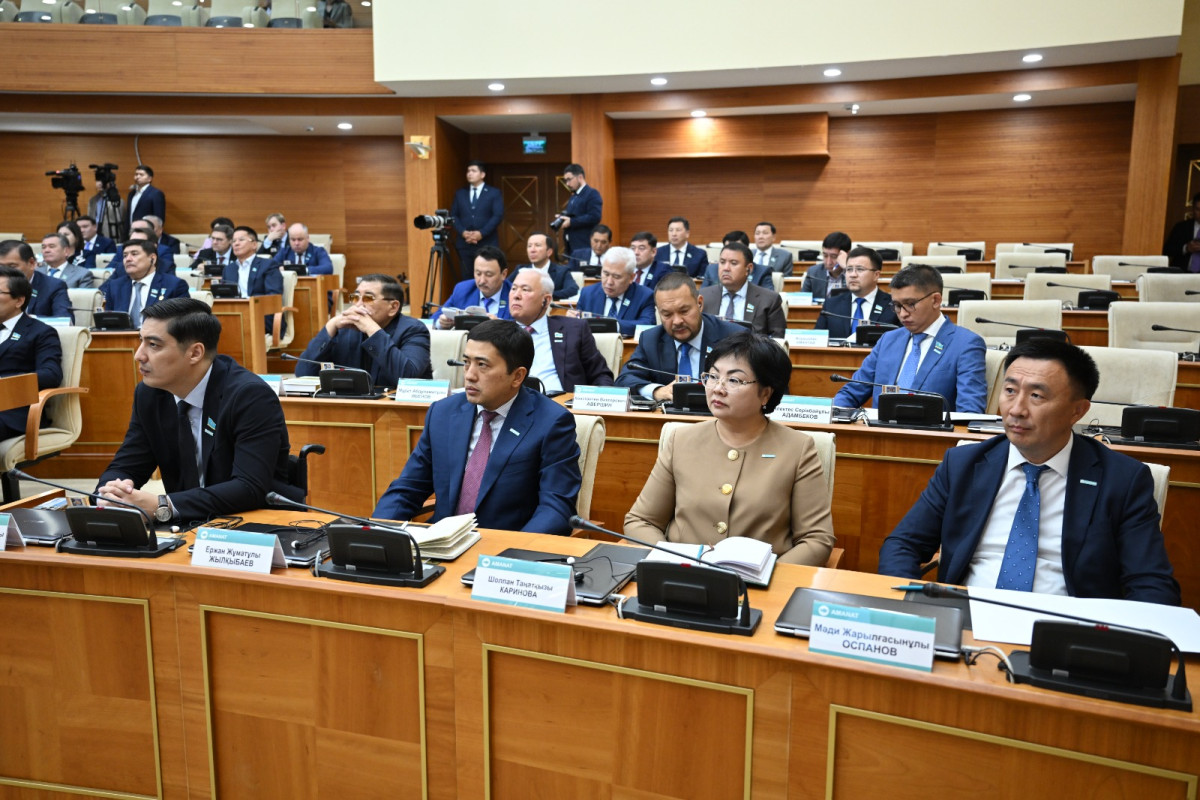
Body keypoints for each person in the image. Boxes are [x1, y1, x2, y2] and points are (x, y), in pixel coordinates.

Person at [878, 339, 1180, 604]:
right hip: (965, 616)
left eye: (1037, 396)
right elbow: (903, 545)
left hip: (1065, 631)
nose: (1016, 409)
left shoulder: (1123, 480)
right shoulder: (963, 464)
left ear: (1077, 411)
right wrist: (912, 606)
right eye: (1010, 390)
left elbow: (1151, 583)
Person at [624, 331, 835, 565]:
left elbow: (817, 539)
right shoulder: (681, 440)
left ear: (766, 393)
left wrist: (767, 576)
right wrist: (673, 561)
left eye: (734, 380)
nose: (718, 388)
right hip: (682, 575)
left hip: (760, 582)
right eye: (713, 376)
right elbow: (640, 521)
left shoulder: (798, 449)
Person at [96, 298, 300, 523]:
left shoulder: (250, 396)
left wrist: (163, 505)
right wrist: (110, 494)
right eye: (141, 341)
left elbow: (249, 487)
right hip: (187, 524)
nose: (139, 355)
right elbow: (127, 465)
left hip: (254, 523)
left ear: (195, 353)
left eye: (153, 345)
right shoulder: (150, 394)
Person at [372, 319, 582, 535]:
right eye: (466, 362)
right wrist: (377, 533)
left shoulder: (551, 423)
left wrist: (515, 551)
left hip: (505, 545)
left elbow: (556, 508)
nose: (469, 375)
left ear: (517, 376)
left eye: (482, 365)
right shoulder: (443, 413)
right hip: (443, 542)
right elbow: (408, 488)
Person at [833, 264, 987, 413]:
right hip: (879, 430)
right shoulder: (888, 340)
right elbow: (851, 392)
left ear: (936, 300)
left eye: (910, 304)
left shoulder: (965, 344)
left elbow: (969, 412)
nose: (902, 314)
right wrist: (833, 411)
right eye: (897, 305)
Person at [616, 271, 744, 401]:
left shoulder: (734, 337)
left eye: (684, 311)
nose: (677, 321)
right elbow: (624, 380)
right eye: (667, 314)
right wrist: (657, 391)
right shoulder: (651, 340)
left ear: (699, 304)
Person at [296, 273, 432, 387]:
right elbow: (303, 373)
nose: (359, 304)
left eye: (368, 298)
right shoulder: (344, 328)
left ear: (393, 307)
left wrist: (372, 329)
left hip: (396, 407)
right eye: (355, 297)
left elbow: (408, 377)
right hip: (349, 406)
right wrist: (330, 326)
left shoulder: (413, 330)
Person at [507, 269, 614, 394]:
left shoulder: (574, 330)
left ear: (546, 300)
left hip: (560, 403)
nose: (516, 295)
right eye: (513, 288)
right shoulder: (498, 333)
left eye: (525, 290)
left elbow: (600, 375)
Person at [0, 266, 62, 442]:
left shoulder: (41, 332)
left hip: (13, 411)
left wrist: (4, 382)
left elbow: (51, 374)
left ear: (19, 300)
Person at [698, 242, 786, 337]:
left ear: (749, 269)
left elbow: (777, 339)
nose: (726, 268)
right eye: (722, 262)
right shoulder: (703, 296)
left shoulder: (769, 300)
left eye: (733, 263)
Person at [99, 239, 190, 326]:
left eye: (134, 254)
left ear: (152, 259)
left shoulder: (174, 285)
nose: (128, 259)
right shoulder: (115, 286)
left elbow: (183, 323)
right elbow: (109, 324)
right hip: (122, 336)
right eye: (125, 255)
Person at [814, 246, 899, 338]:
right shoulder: (831, 305)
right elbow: (817, 340)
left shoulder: (893, 305)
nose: (853, 275)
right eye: (849, 269)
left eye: (860, 269)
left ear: (876, 275)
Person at [571, 245, 656, 337]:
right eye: (606, 274)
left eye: (616, 277)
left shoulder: (645, 296)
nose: (609, 282)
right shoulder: (587, 293)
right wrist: (572, 320)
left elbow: (647, 325)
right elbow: (579, 325)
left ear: (631, 277)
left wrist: (612, 325)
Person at [449, 160, 504, 280]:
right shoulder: (460, 193)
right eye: (468, 171)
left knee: (487, 277)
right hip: (465, 243)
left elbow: (498, 215)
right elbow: (453, 215)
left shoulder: (493, 193)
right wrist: (463, 232)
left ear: (482, 174)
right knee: (467, 277)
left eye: (473, 171)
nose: (469, 173)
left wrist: (481, 233)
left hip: (487, 242)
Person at [434, 245, 513, 328]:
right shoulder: (463, 289)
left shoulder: (514, 294)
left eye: (489, 275)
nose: (482, 281)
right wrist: (441, 322)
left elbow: (520, 326)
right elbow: (434, 318)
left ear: (503, 274)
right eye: (478, 273)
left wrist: (499, 324)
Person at [0, 240, 71, 319]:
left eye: (12, 266)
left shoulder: (54, 286)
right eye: (1, 266)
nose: (5, 271)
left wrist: (28, 320)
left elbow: (64, 319)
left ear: (32, 263)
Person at [514, 232, 578, 300]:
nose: (532, 250)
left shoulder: (561, 271)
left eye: (537, 245)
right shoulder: (520, 270)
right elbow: (507, 287)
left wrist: (543, 296)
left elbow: (572, 290)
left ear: (549, 252)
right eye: (529, 246)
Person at [701, 230, 774, 289]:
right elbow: (702, 297)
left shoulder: (762, 272)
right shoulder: (711, 269)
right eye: (728, 247)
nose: (726, 268)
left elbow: (769, 299)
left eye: (736, 248)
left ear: (747, 249)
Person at [223, 226, 282, 298]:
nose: (236, 243)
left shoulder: (268, 265)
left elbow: (274, 296)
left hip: (257, 304)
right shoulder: (228, 269)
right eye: (234, 241)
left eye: (241, 240)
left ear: (254, 244)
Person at [556, 163, 602, 254]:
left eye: (569, 179)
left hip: (584, 245)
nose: (567, 184)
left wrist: (571, 222)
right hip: (571, 246)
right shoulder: (574, 196)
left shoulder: (592, 193)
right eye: (566, 180)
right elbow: (574, 216)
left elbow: (595, 216)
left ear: (580, 177)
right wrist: (563, 218)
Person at [110, 221, 177, 278]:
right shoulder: (121, 268)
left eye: (139, 243)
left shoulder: (166, 267)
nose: (128, 259)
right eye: (131, 242)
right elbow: (105, 288)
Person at [801, 231, 852, 298]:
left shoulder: (856, 274)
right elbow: (803, 300)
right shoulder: (813, 273)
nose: (828, 262)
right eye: (825, 256)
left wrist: (847, 268)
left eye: (834, 256)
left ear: (847, 254)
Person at [1162, 191, 1200, 271]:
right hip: (1181, 273)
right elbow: (1167, 250)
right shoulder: (1181, 227)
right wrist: (1186, 248)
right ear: (1193, 209)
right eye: (1198, 209)